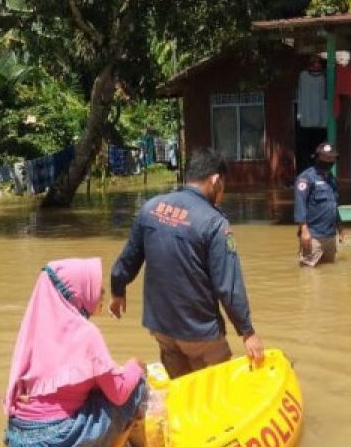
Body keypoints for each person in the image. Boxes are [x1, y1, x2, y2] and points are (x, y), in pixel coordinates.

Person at [110, 148, 264, 378]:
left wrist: (117, 290)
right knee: (215, 393)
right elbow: (228, 287)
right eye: (223, 186)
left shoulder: (151, 208)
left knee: (181, 389)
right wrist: (247, 332)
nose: (223, 193)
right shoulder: (214, 223)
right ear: (215, 180)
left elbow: (127, 259)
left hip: (160, 327)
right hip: (200, 333)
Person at [3, 258, 148, 447]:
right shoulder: (87, 333)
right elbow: (118, 393)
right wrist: (135, 366)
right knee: (136, 388)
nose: (102, 291)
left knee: (98, 395)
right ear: (77, 292)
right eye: (95, 286)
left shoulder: (35, 330)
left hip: (19, 441)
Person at [294, 142, 346, 268]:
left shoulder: (331, 179)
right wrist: (304, 230)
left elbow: (333, 204)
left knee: (329, 272)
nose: (329, 162)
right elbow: (300, 204)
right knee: (308, 274)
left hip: (330, 236)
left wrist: (340, 227)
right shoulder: (306, 178)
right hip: (313, 236)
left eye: (332, 159)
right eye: (326, 158)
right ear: (317, 158)